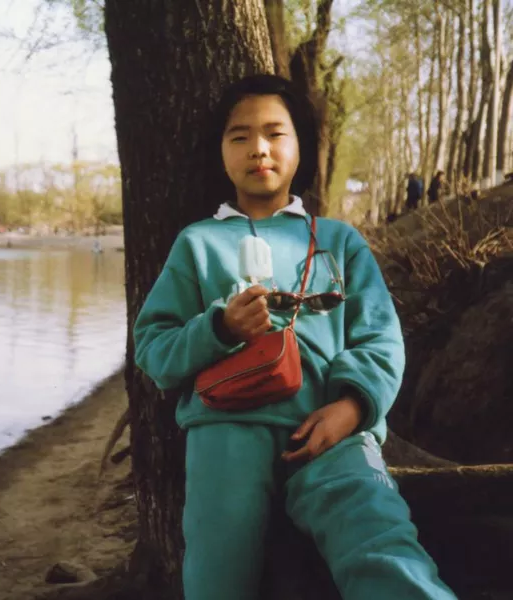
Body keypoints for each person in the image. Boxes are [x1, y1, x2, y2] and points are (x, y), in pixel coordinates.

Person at [132, 74, 456, 600]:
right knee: (218, 574)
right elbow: (153, 349)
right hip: (225, 431)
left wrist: (352, 409)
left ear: (301, 145)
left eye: (275, 133)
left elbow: (380, 338)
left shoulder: (338, 241)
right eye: (239, 136)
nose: (258, 148)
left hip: (331, 430)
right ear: (220, 152)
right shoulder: (199, 243)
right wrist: (218, 328)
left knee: (382, 543)